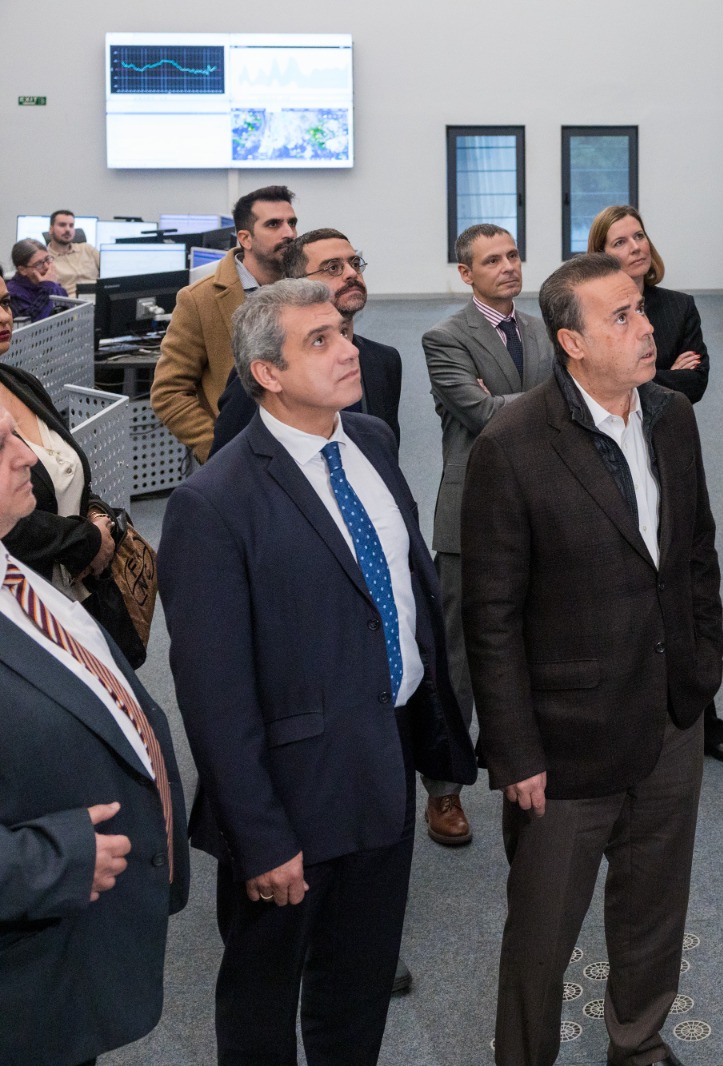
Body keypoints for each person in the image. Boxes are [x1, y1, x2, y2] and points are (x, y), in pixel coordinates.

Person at [159, 278, 476, 1066]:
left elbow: (403, 594)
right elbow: (214, 697)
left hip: (386, 762)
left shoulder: (370, 440)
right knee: (263, 1003)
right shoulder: (213, 503)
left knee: (358, 989)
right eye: (320, 341)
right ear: (267, 373)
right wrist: (262, 838)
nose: (347, 350)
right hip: (290, 796)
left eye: (342, 331)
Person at [463, 252, 722, 1066]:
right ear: (571, 343)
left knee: (654, 909)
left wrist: (702, 670)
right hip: (564, 743)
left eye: (640, 309)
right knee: (543, 936)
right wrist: (514, 751)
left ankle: (638, 1044)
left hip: (670, 716)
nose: (646, 327)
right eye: (622, 317)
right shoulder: (512, 444)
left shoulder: (672, 418)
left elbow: (697, 555)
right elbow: (491, 619)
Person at [0, 318, 189, 1066]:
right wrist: (56, 858)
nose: (28, 455)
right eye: (3, 445)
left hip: (69, 966)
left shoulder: (16, 574)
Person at [588, 203, 723, 765]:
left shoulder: (678, 306)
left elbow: (695, 385)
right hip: (610, 451)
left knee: (683, 576)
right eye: (619, 241)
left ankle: (703, 719)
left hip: (671, 450)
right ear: (600, 254)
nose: (634, 246)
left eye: (638, 236)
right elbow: (600, 378)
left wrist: (647, 377)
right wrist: (664, 374)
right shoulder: (592, 308)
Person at [420, 223, 555, 846]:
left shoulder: (544, 329)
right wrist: (557, 398)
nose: (508, 267)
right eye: (492, 260)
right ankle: (444, 788)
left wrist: (512, 399)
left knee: (534, 641)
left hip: (544, 508)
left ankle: (522, 761)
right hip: (470, 515)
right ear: (465, 273)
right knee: (458, 659)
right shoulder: (445, 337)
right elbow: (478, 414)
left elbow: (503, 406)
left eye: (513, 255)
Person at [0, 277, 141, 665]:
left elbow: (69, 471)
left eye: (6, 303)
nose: (4, 316)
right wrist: (87, 541)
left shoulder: (20, 382)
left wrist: (97, 517)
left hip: (78, 593)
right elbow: (8, 522)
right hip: (25, 605)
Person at [210, 228, 402, 454]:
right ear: (296, 284)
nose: (351, 273)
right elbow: (229, 460)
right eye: (333, 268)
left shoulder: (383, 360)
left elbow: (386, 455)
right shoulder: (270, 370)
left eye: (355, 263)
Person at [152, 184, 298, 463]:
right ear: (245, 238)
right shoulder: (200, 299)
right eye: (274, 224)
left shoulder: (306, 290)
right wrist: (219, 450)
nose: (289, 233)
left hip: (304, 444)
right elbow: (168, 392)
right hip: (243, 454)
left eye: (291, 222)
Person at [9, 239, 68, 321]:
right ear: (22, 270)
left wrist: (52, 286)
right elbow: (30, 324)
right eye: (39, 264)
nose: (47, 267)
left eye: (47, 259)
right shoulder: (13, 293)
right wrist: (47, 287)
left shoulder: (51, 283)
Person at [45, 210, 100, 296]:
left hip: (98, 297)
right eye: (62, 225)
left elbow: (109, 272)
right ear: (51, 229)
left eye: (71, 226)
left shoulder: (88, 249)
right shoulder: (45, 258)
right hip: (69, 301)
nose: (68, 229)